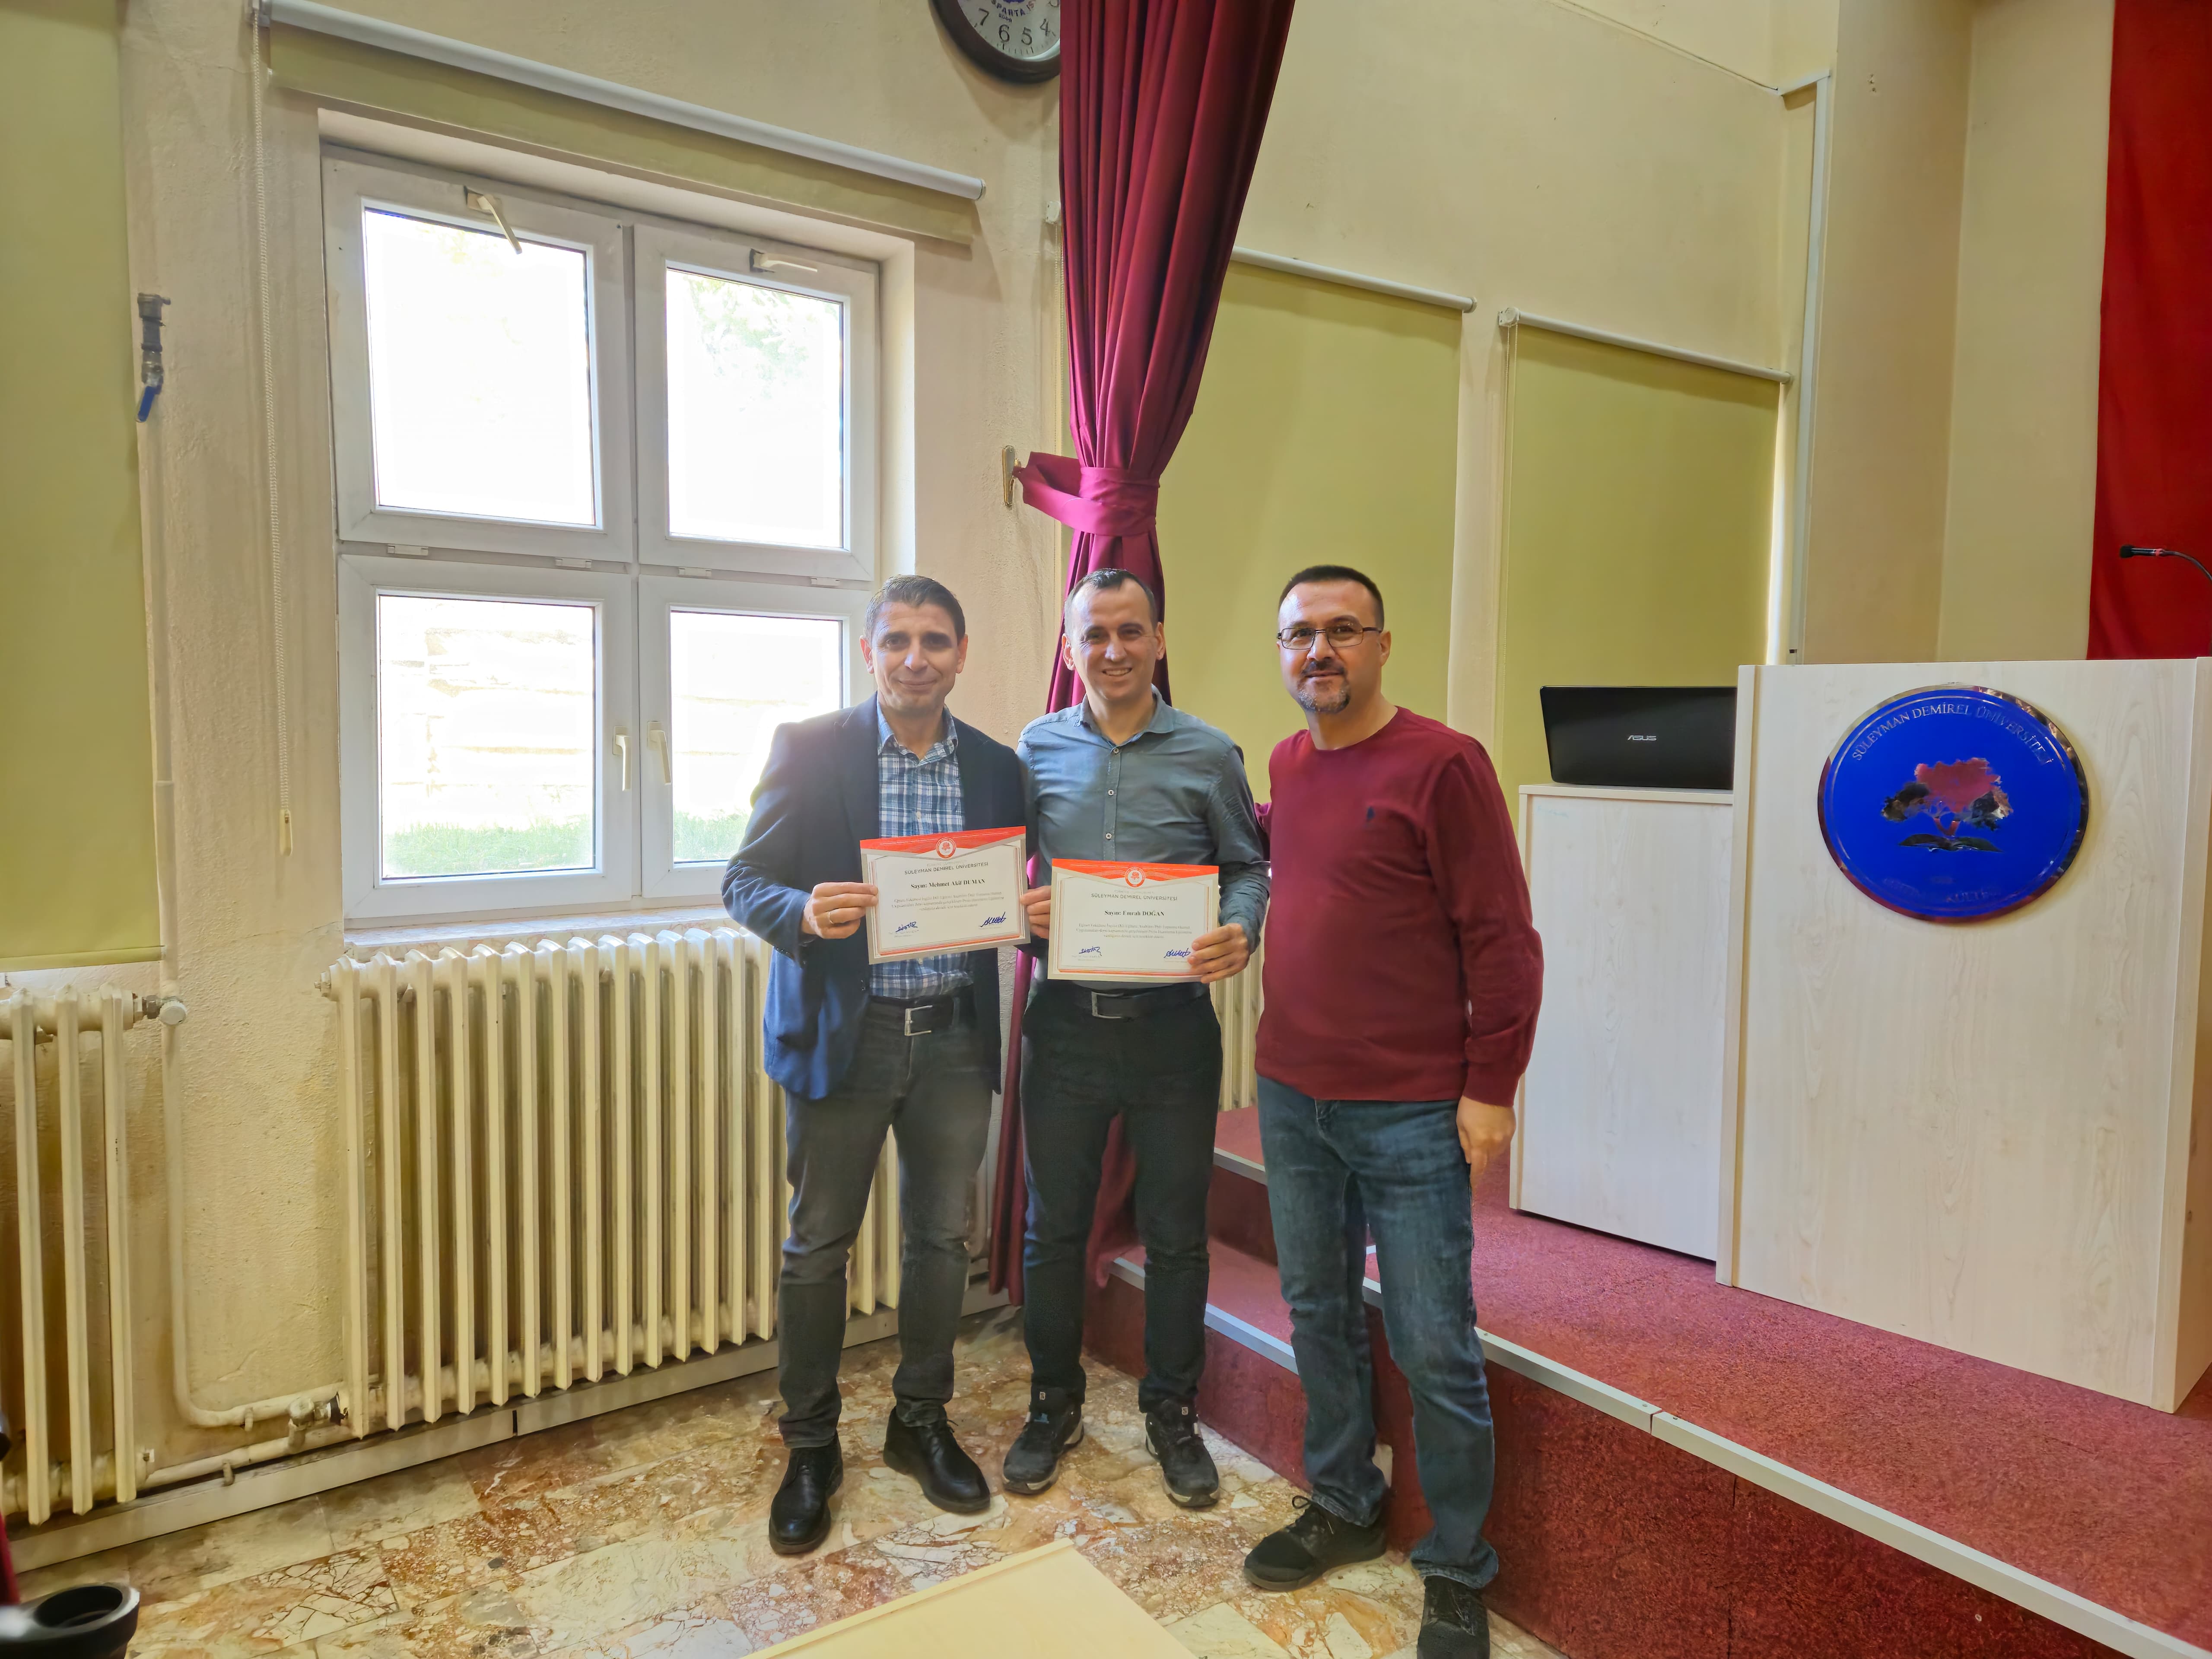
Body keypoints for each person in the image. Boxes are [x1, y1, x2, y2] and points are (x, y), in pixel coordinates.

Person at [1239, 566, 1543, 1659]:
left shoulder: (1445, 764)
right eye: (1297, 635)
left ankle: (1456, 1566)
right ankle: (1344, 1502)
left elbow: (1502, 938)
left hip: (1411, 1109)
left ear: (1380, 644)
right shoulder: (1285, 764)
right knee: (1316, 1311)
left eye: (1340, 630)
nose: (1317, 651)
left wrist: (1491, 1085)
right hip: (1292, 1094)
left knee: (1430, 1339)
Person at [722, 574, 1027, 1557]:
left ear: (961, 654)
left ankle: (919, 1422)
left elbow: (1011, 891)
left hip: (954, 1039)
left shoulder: (997, 766)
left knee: (942, 1240)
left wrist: (1036, 911)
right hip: (843, 1038)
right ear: (869, 652)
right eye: (896, 640)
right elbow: (742, 880)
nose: (915, 658)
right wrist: (804, 913)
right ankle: (812, 1446)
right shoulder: (810, 748)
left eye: (935, 640)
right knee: (818, 1248)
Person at [1000, 567, 1269, 1509]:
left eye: (1129, 631)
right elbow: (1001, 872)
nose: (1112, 650)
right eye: (1094, 635)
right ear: (1070, 649)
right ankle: (1052, 1404)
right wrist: (1018, 911)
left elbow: (1247, 865)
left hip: (1171, 1035)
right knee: (1053, 1230)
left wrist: (1242, 927)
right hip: (1065, 1029)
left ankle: (1171, 1412)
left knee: (1176, 1234)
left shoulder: (1210, 752)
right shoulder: (1034, 748)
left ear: (1158, 640)